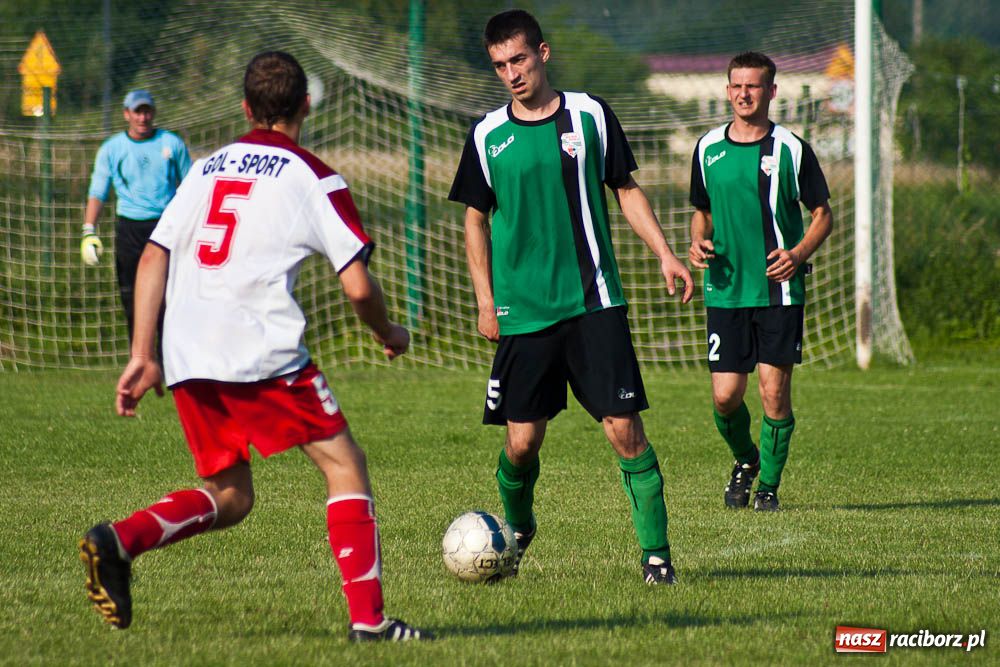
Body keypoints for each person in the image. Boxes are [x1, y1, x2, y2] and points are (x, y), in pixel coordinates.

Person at [78, 51, 429, 642]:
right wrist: (387, 331)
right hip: (259, 348)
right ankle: (371, 623)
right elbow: (358, 285)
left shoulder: (205, 167)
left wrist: (143, 353)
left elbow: (154, 255)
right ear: (306, 105)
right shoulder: (314, 176)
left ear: (245, 108)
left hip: (187, 349)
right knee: (344, 464)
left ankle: (120, 540)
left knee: (232, 496)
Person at [448, 10, 693, 585]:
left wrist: (664, 252)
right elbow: (475, 220)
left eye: (519, 59)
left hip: (593, 301)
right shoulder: (487, 134)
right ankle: (516, 531)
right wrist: (485, 301)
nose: (511, 73)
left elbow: (625, 189)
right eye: (500, 65)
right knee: (521, 443)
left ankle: (656, 557)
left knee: (624, 430)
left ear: (543, 53)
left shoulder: (590, 115)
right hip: (522, 311)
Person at [687, 51, 833, 512]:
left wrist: (797, 255)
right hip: (726, 289)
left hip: (778, 291)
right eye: (737, 86)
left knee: (773, 393)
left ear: (771, 91)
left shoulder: (791, 148)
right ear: (727, 90)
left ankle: (768, 486)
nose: (743, 94)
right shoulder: (707, 147)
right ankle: (747, 460)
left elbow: (822, 215)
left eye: (753, 86)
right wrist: (697, 242)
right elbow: (702, 212)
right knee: (725, 397)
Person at [81, 89, 191, 344]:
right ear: (126, 114)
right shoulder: (112, 149)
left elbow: (190, 187)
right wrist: (88, 230)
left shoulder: (172, 143)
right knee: (131, 298)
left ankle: (167, 360)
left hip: (165, 227)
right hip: (129, 230)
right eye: (137, 112)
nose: (143, 118)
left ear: (153, 113)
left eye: (147, 112)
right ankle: (139, 356)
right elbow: (98, 191)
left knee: (167, 300)